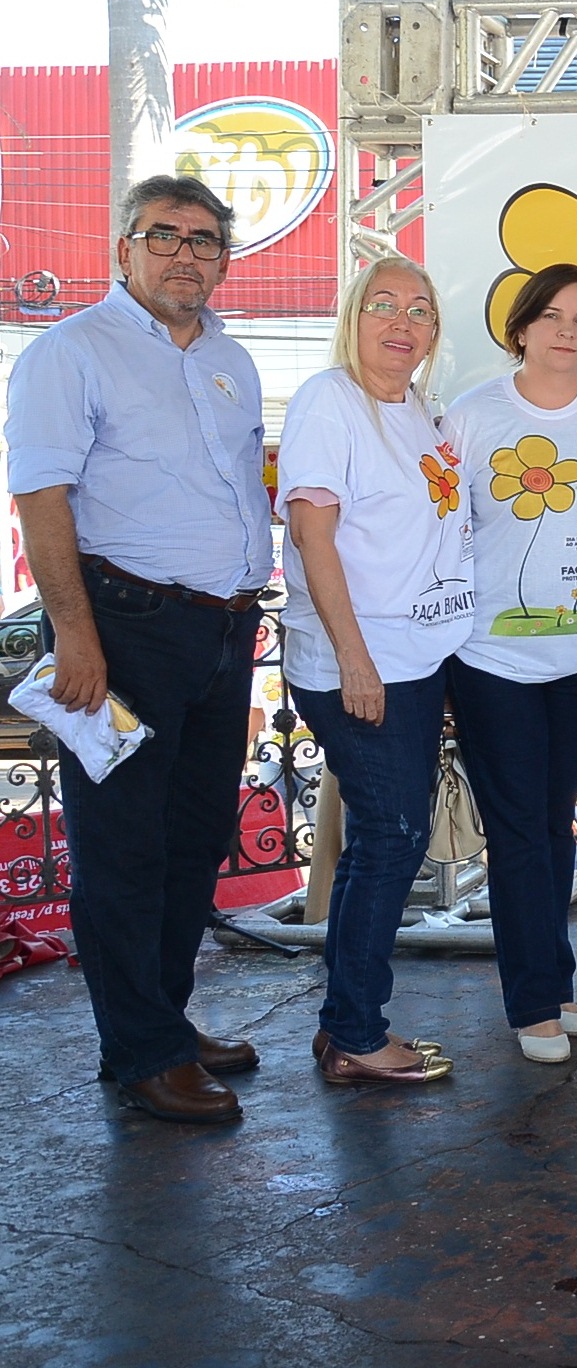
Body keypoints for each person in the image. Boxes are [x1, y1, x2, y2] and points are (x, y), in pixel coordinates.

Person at [3, 175, 275, 1123]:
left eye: (204, 241)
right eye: (164, 235)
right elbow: (41, 498)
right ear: (124, 249)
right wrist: (77, 637)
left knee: (194, 840)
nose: (184, 254)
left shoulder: (231, 358)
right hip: (122, 630)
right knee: (122, 849)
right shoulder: (70, 352)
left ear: (223, 261)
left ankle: (163, 1020)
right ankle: (142, 1054)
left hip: (223, 628)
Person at [279, 257, 473, 1085]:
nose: (403, 322)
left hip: (414, 660)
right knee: (392, 839)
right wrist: (354, 659)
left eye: (420, 310)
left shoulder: (419, 411)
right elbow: (311, 536)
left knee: (382, 839)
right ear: (352, 317)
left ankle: (345, 1025)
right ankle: (356, 1034)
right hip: (360, 666)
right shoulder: (331, 401)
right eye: (383, 305)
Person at [442, 263, 577, 1064]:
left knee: (554, 825)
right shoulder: (473, 414)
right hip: (491, 661)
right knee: (518, 830)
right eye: (550, 316)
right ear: (519, 327)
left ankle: (555, 984)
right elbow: (439, 530)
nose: (565, 331)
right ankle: (531, 1004)